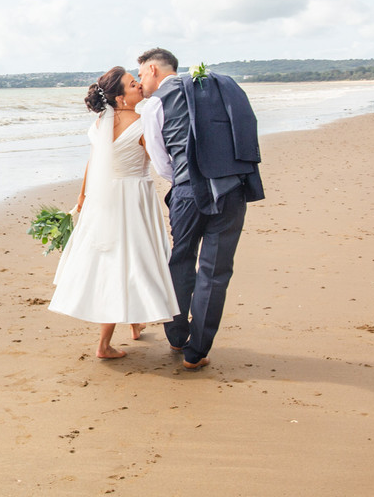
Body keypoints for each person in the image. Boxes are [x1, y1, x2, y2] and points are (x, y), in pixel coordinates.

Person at [137, 48, 264, 371]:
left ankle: (178, 336)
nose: (141, 81)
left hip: (188, 192)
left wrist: (184, 178)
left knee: (181, 260)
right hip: (232, 188)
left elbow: (160, 158)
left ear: (152, 69)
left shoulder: (154, 105)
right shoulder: (216, 89)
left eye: (140, 74)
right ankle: (197, 351)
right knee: (216, 271)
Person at [49, 66, 179, 359]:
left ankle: (134, 323)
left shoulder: (100, 124)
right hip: (133, 199)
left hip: (103, 198)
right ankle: (103, 345)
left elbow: (93, 163)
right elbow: (160, 161)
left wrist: (82, 197)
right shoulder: (143, 122)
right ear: (120, 97)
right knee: (131, 260)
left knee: (120, 258)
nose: (140, 87)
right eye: (133, 85)